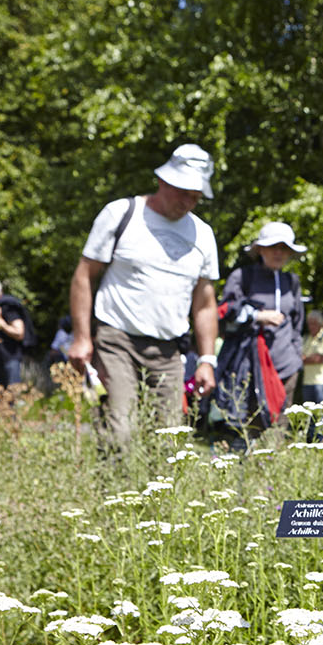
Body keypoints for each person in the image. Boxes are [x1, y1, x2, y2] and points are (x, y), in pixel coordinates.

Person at [66, 144, 220, 449]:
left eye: (196, 196)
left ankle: (152, 498)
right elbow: (84, 275)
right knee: (119, 433)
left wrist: (206, 360)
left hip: (168, 351)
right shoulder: (122, 214)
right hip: (116, 340)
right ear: (163, 181)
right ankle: (110, 492)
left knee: (168, 444)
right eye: (183, 191)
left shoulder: (203, 235)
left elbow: (204, 304)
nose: (189, 202)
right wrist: (82, 337)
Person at [217, 221, 307, 432]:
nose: (279, 253)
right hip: (251, 366)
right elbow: (224, 313)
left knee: (280, 426)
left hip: (286, 366)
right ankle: (253, 463)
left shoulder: (291, 282)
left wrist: (297, 355)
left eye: (284, 248)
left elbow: (297, 324)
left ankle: (275, 463)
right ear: (260, 249)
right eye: (273, 246)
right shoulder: (243, 277)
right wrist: (257, 316)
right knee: (254, 424)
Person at [300, 309, 323, 411]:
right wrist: (309, 358)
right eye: (309, 324)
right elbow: (299, 359)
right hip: (307, 382)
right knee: (309, 418)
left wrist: (306, 358)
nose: (311, 327)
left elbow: (319, 359)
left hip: (322, 382)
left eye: (314, 324)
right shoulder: (305, 338)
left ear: (321, 324)